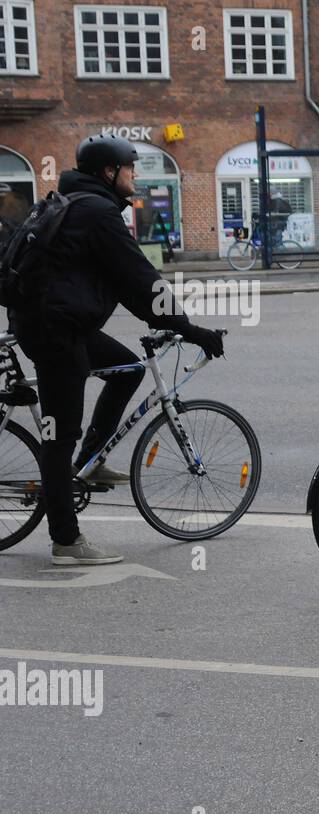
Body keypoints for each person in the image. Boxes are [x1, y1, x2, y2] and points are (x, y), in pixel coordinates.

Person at [7, 133, 224, 566]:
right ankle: (67, 543)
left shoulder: (73, 204)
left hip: (57, 321)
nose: (135, 176)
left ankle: (91, 457)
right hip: (55, 332)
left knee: (127, 368)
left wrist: (170, 320)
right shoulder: (97, 213)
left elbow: (124, 282)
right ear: (109, 172)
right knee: (58, 436)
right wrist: (190, 328)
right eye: (131, 169)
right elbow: (140, 278)